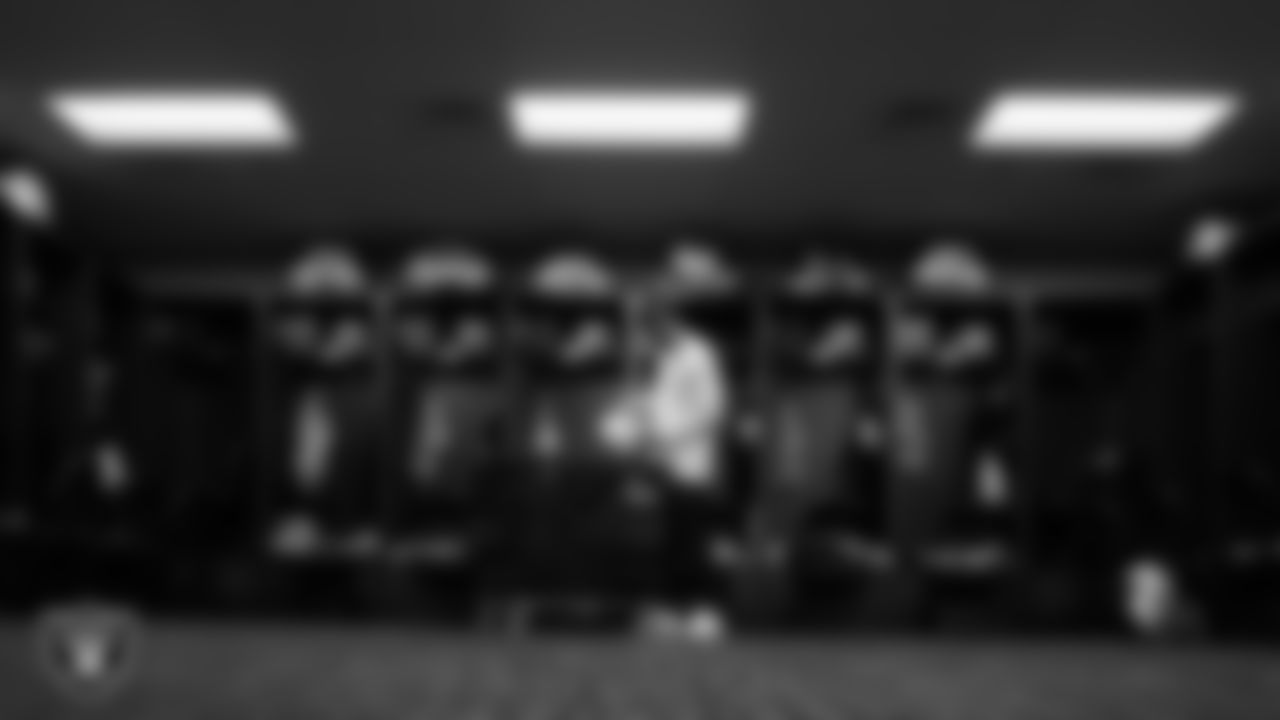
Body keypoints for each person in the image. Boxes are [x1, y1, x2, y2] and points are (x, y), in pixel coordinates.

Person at [627, 244, 734, 643]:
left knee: (693, 542)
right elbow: (650, 407)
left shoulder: (697, 353)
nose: (651, 330)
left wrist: (666, 437)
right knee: (668, 542)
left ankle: (706, 614)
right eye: (648, 324)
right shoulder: (656, 359)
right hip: (659, 464)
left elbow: (713, 409)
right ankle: (672, 612)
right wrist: (642, 431)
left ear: (671, 320)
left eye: (655, 322)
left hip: (690, 466)